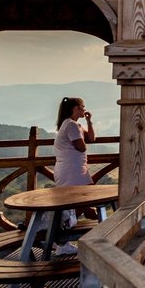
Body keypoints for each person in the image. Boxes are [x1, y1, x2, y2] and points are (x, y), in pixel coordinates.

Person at [53, 96, 96, 254]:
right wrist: (82, 134)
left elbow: (91, 138)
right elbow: (82, 147)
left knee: (78, 203)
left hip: (73, 170)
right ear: (75, 109)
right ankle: (61, 240)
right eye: (82, 107)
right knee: (83, 200)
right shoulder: (71, 126)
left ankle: (60, 240)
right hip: (72, 170)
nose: (84, 110)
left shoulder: (72, 125)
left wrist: (89, 122)